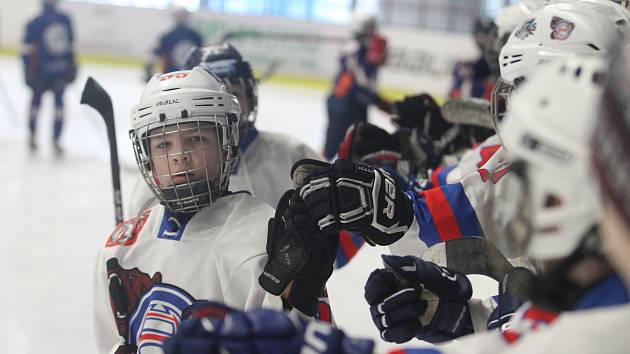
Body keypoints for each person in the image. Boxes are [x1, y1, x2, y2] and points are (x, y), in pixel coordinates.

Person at [94, 67, 307, 354]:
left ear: (226, 144)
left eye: (196, 139)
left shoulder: (267, 240)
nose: (179, 156)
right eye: (163, 144)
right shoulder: (119, 249)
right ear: (147, 156)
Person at [322, 13, 392, 160]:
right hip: (345, 104)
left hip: (348, 103)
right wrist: (379, 102)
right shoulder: (359, 51)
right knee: (338, 146)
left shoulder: (355, 48)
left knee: (359, 144)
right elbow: (360, 87)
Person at [21, 0, 76, 155]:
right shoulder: (65, 20)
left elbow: (26, 51)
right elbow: (71, 48)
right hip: (57, 72)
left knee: (40, 106)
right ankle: (54, 139)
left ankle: (35, 137)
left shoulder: (35, 22)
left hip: (41, 73)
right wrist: (71, 67)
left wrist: (27, 70)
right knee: (57, 106)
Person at [144, 6, 202, 81]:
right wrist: (149, 67)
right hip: (172, 76)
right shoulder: (168, 35)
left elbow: (201, 55)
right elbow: (156, 53)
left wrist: (149, 68)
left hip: (180, 77)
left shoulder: (194, 36)